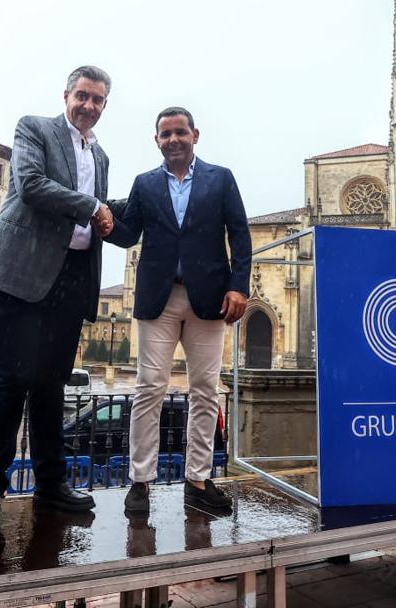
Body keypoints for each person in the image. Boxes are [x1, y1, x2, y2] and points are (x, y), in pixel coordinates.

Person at [0, 65, 117, 525]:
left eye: (98, 100)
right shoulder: (34, 129)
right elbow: (30, 186)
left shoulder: (102, 157)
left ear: (105, 106)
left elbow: (99, 220)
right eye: (83, 96)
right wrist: (93, 207)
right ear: (67, 95)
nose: (89, 105)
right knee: (11, 381)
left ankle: (52, 486)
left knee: (52, 385)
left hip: (70, 279)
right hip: (18, 272)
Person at [106, 106, 251, 514]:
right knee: (149, 388)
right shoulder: (145, 183)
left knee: (206, 391)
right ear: (157, 140)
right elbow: (129, 231)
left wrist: (239, 286)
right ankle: (140, 482)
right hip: (159, 298)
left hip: (209, 299)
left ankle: (198, 480)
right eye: (165, 134)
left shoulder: (220, 179)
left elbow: (240, 235)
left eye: (180, 132)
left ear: (195, 135)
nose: (173, 139)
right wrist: (103, 223)